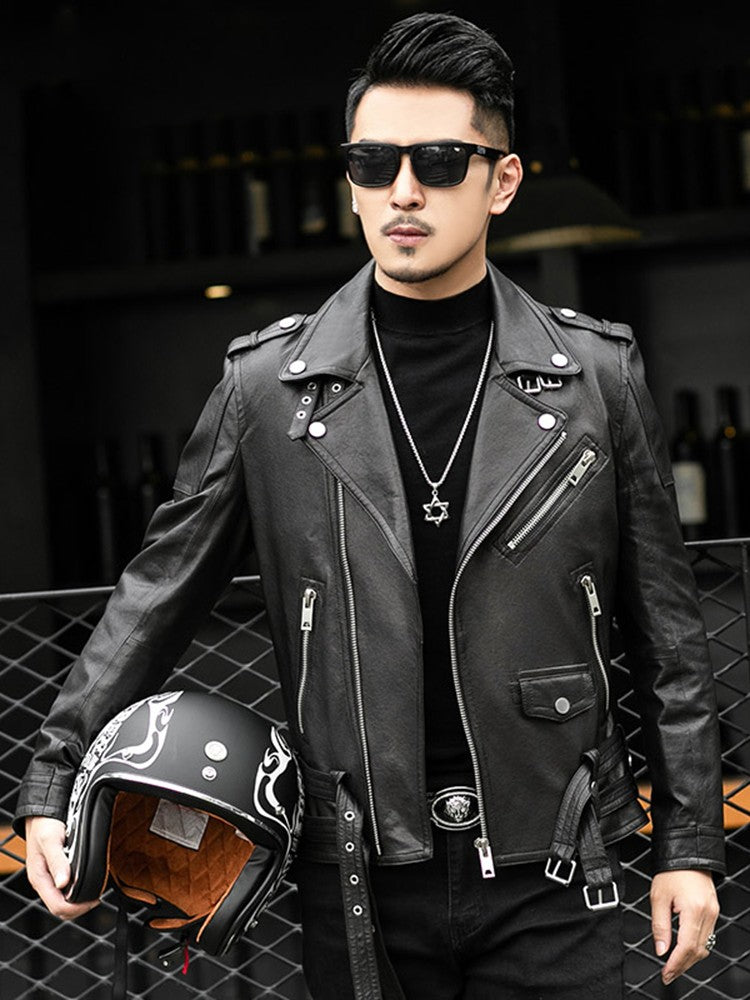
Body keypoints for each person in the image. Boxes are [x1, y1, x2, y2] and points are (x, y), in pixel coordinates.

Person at [16, 12, 724, 999]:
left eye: (439, 161)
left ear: (502, 181)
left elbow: (669, 637)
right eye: (372, 162)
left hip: (558, 861)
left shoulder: (594, 377)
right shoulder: (268, 390)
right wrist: (52, 779)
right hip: (356, 870)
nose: (403, 190)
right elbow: (156, 595)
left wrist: (690, 846)